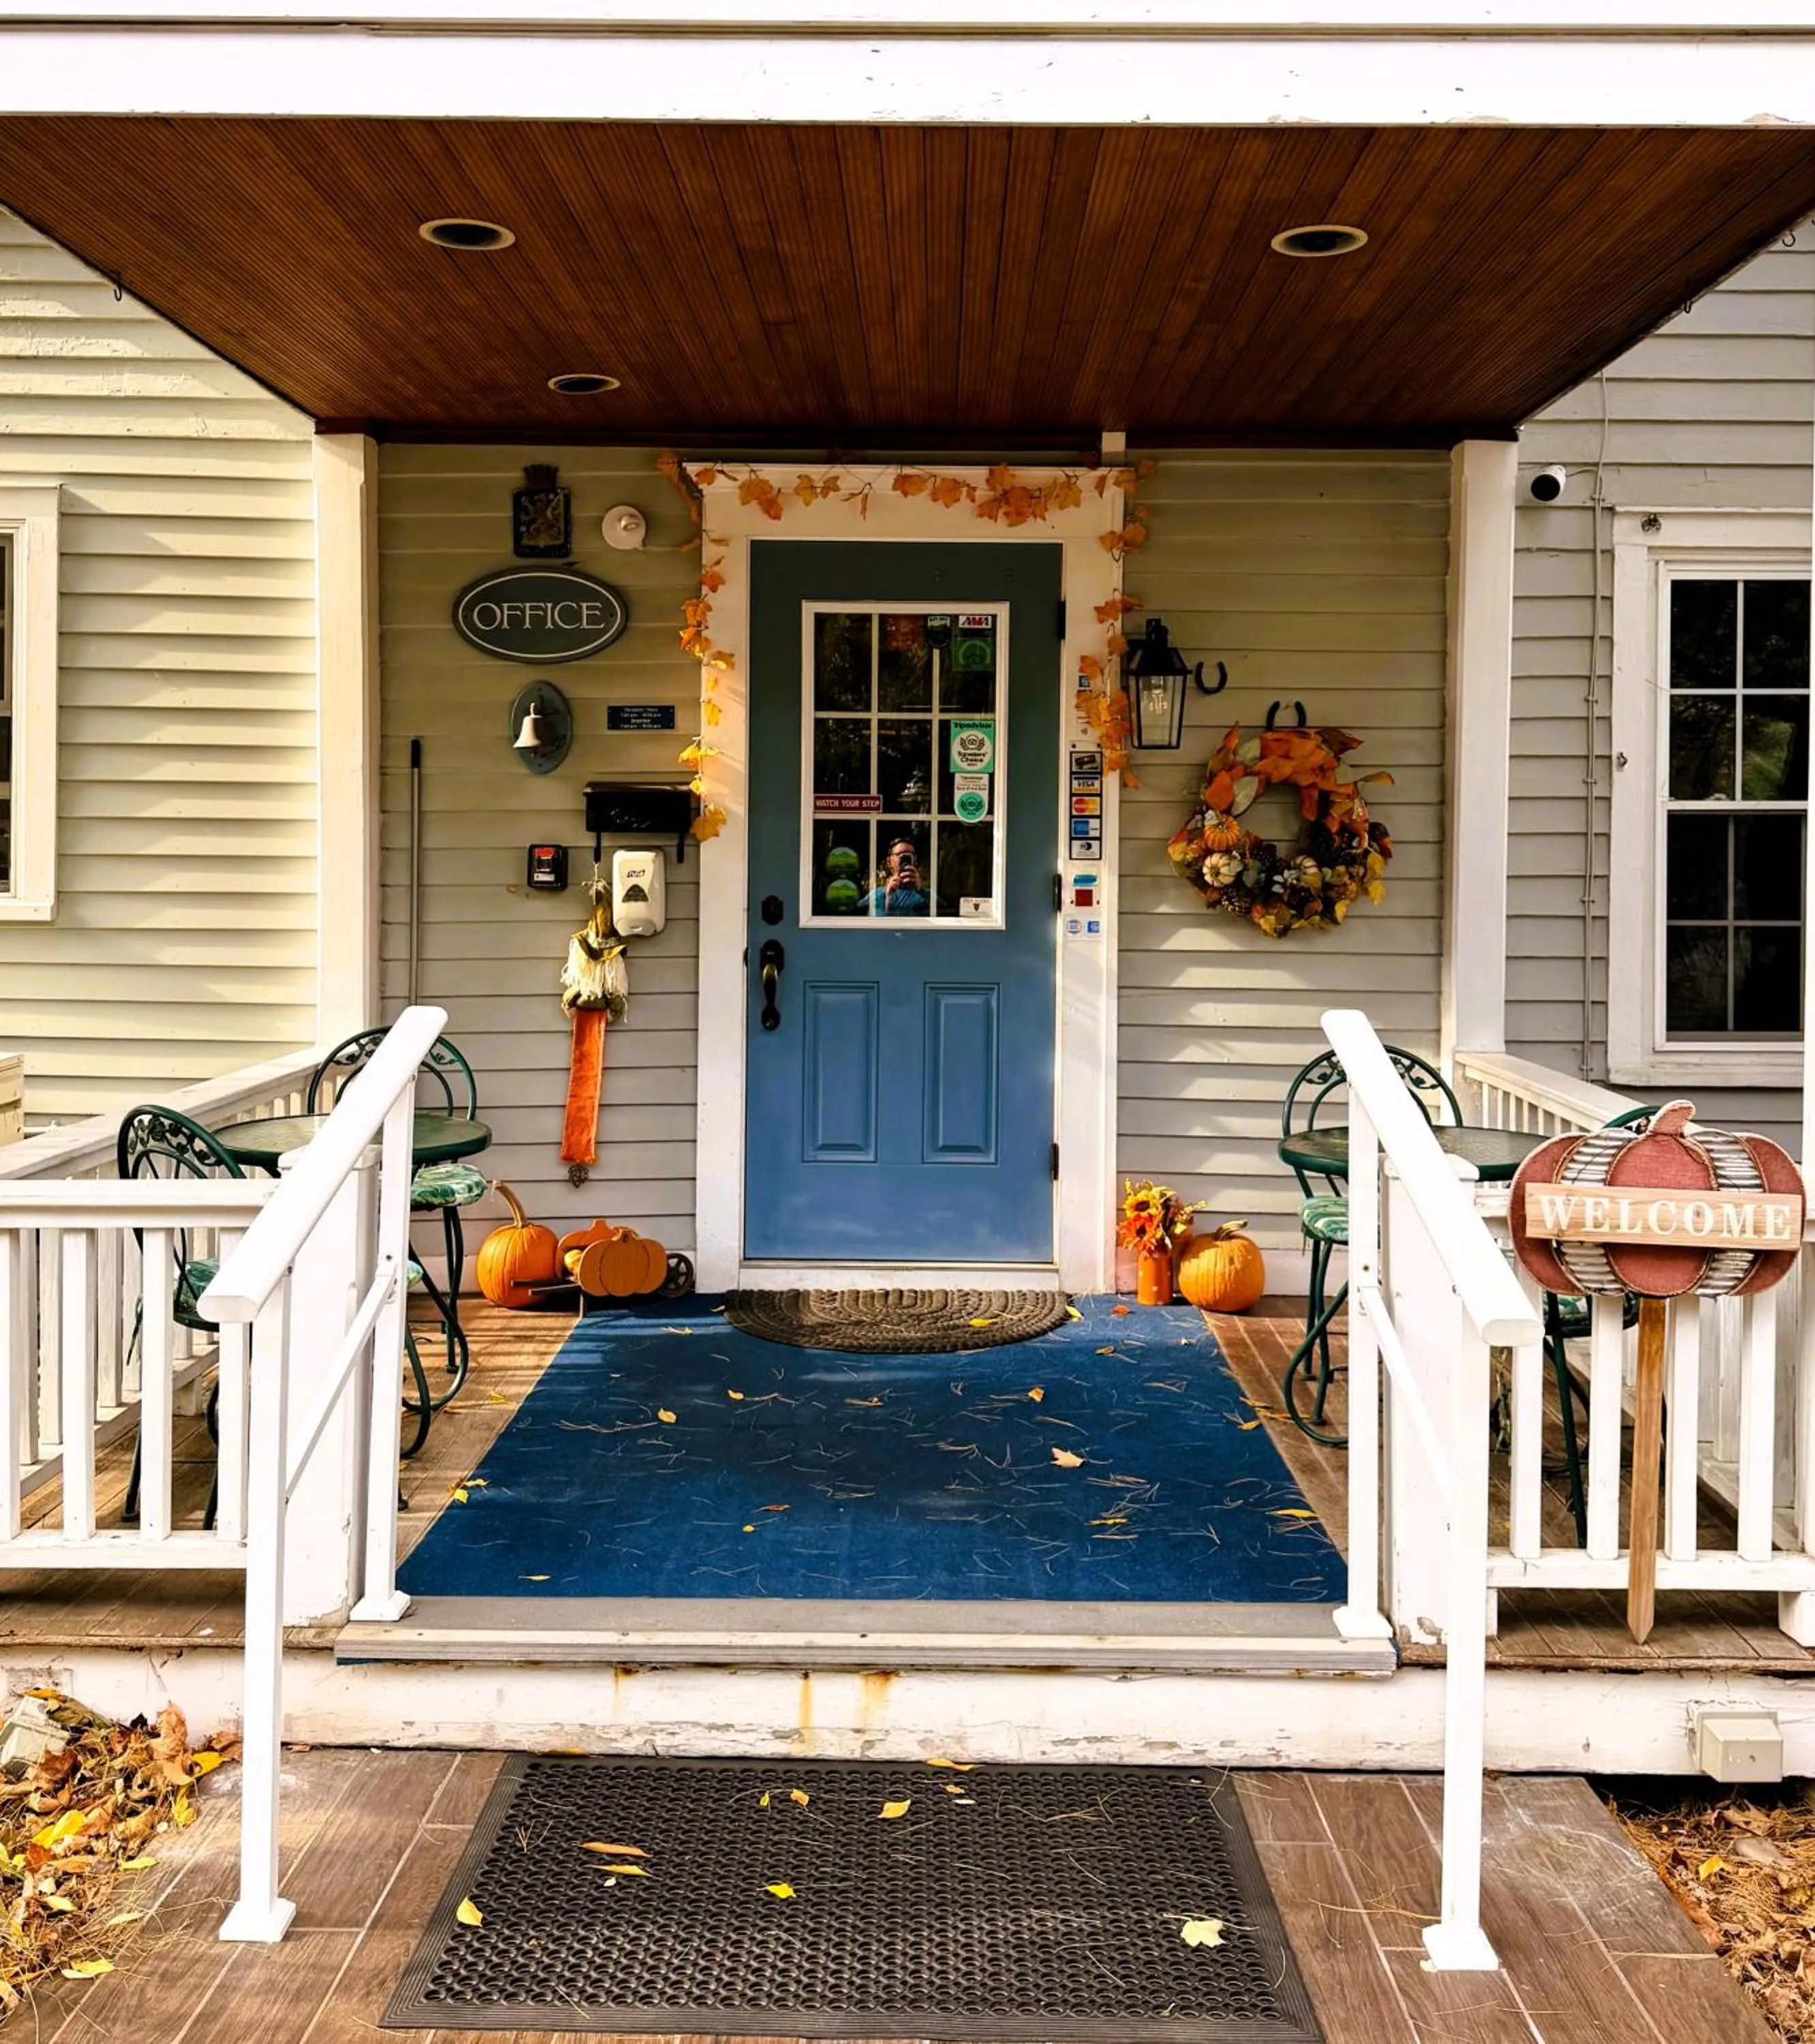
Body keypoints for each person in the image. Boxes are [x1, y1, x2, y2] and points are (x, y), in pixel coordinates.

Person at [866, 837, 929, 916]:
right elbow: (857, 916)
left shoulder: (927, 895)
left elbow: (944, 913)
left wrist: (921, 891)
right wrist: (887, 897)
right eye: (900, 854)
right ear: (890, 861)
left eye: (909, 854)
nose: (904, 858)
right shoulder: (877, 894)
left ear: (915, 859)